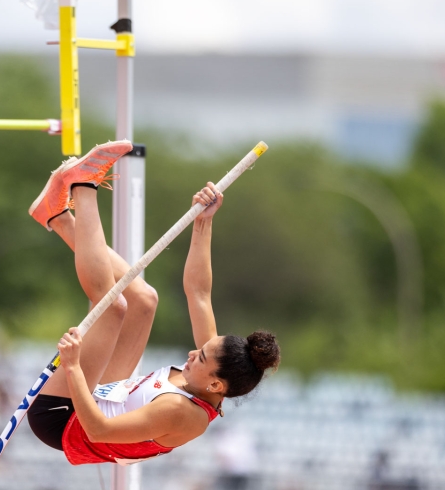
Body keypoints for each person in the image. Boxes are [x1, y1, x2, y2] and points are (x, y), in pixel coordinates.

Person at [25, 140, 281, 466]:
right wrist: (204, 221)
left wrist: (73, 366)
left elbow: (99, 430)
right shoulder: (212, 374)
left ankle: (83, 186)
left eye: (200, 357)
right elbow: (199, 291)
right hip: (104, 394)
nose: (192, 353)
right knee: (145, 300)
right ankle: (57, 216)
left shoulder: (181, 413)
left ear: (216, 384)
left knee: (113, 307)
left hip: (65, 421)